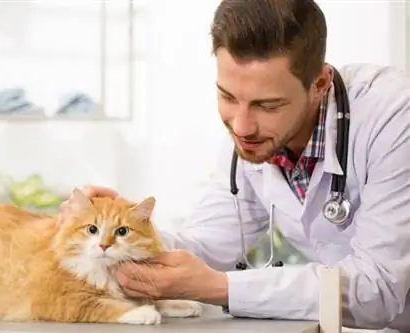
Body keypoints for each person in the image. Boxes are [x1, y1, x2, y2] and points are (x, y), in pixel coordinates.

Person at [60, 0, 410, 331]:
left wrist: (221, 287)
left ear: (319, 84)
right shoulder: (254, 142)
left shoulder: (394, 117)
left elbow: (376, 287)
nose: (241, 126)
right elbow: (206, 247)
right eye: (228, 97)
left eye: (267, 105)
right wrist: (121, 228)